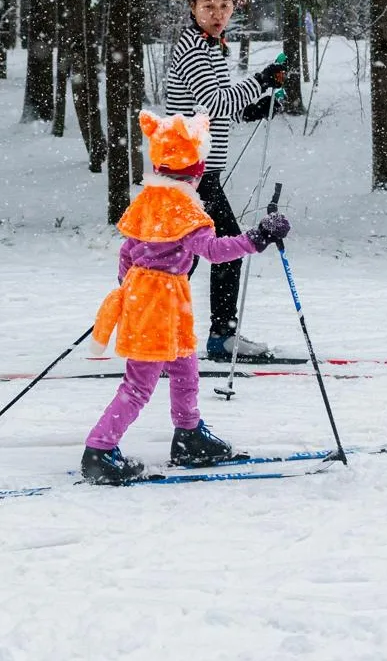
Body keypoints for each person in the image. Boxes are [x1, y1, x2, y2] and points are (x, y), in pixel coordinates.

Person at [81, 110, 291, 484]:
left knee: (184, 369)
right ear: (195, 170)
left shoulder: (149, 200)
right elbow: (212, 251)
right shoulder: (183, 208)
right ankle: (99, 450)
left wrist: (131, 287)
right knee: (140, 384)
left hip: (159, 300)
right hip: (158, 303)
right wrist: (256, 238)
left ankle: (189, 435)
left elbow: (127, 251)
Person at [161, 0, 292, 364]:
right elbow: (216, 102)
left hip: (199, 175)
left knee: (190, 258)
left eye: (224, 6)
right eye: (208, 6)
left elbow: (214, 106)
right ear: (193, 8)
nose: (217, 13)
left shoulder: (213, 47)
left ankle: (181, 335)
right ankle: (211, 337)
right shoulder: (194, 49)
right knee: (216, 251)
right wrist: (261, 82)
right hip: (187, 176)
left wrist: (252, 109)